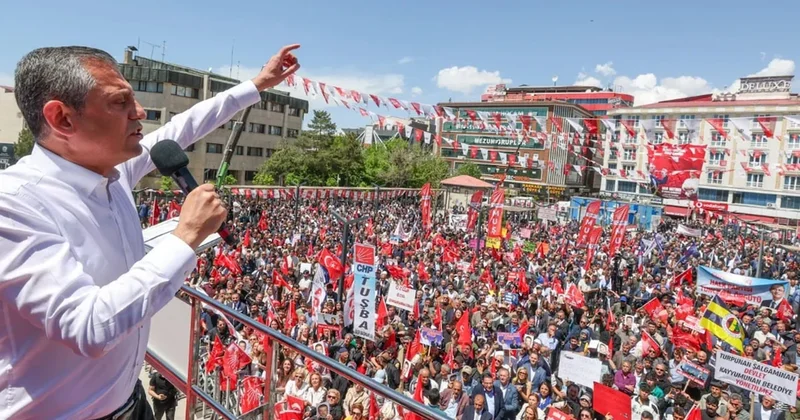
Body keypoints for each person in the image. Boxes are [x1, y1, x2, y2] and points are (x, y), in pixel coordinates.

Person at [0, 44, 300, 419]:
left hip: (130, 402)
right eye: (119, 103)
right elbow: (89, 327)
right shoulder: (13, 205)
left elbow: (185, 126)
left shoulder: (112, 173)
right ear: (62, 119)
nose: (139, 113)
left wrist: (258, 84)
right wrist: (185, 235)